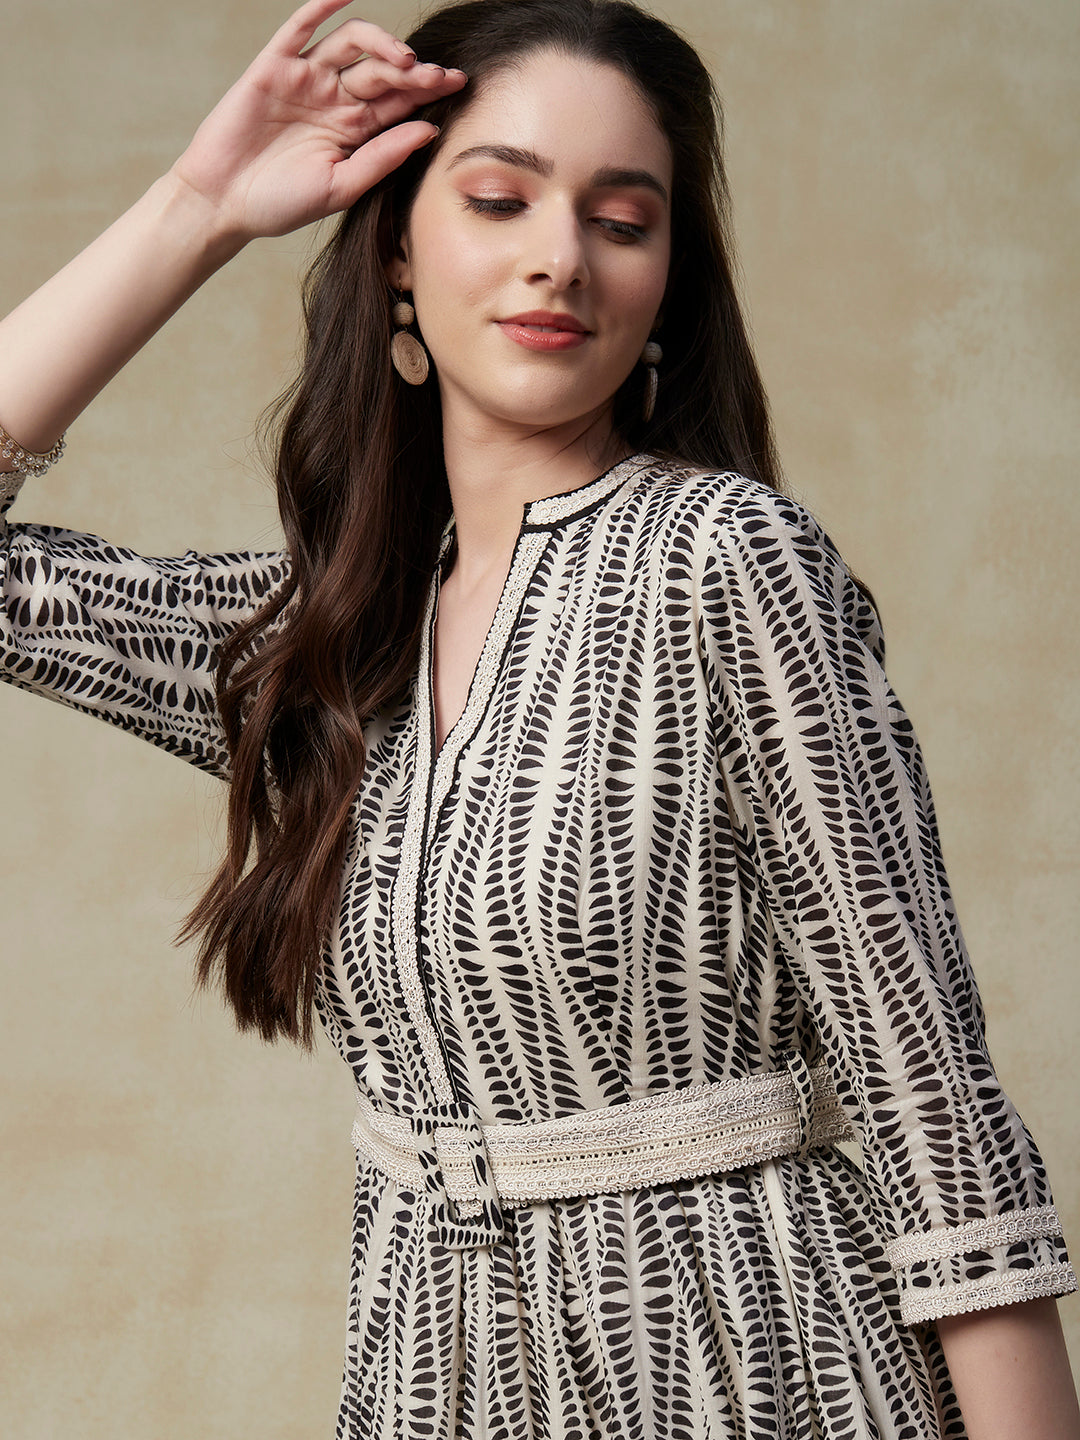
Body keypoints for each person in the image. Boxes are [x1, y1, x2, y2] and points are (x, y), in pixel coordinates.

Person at [1, 0, 1077, 1435]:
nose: (560, 256)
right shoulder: (326, 644)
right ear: (396, 247)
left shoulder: (726, 563)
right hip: (433, 1373)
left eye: (622, 221)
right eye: (499, 199)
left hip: (756, 1368)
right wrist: (199, 210)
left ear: (665, 282)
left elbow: (932, 1102)